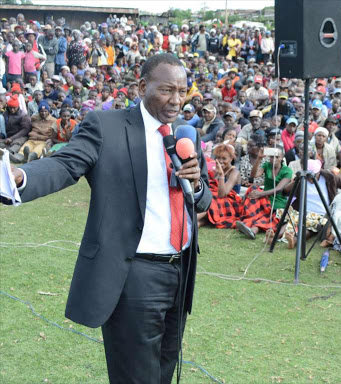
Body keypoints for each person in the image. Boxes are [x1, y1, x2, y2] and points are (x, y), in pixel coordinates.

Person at [5, 53, 212, 384]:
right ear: (143, 86)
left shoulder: (187, 136)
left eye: (182, 91)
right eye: (167, 90)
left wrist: (198, 183)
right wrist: (20, 177)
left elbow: (202, 200)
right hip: (134, 274)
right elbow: (65, 164)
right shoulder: (107, 127)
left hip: (181, 271)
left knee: (164, 368)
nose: (176, 100)